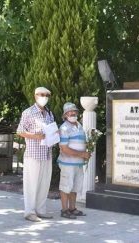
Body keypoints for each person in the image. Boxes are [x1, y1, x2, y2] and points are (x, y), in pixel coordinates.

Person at [16, 86, 57, 222]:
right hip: (33, 154)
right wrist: (35, 136)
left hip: (47, 153)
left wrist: (55, 134)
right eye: (41, 94)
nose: (44, 97)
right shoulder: (28, 112)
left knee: (44, 183)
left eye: (46, 95)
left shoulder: (49, 113)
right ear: (35, 96)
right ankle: (30, 212)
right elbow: (20, 131)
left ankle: (41, 210)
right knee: (31, 184)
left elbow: (50, 131)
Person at [57, 102, 90, 219]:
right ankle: (64, 210)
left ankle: (72, 208)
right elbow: (64, 148)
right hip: (67, 163)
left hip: (78, 163)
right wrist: (82, 154)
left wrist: (87, 152)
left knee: (75, 186)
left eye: (74, 111)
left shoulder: (79, 125)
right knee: (66, 186)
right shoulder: (64, 128)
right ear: (65, 115)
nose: (72, 113)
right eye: (69, 112)